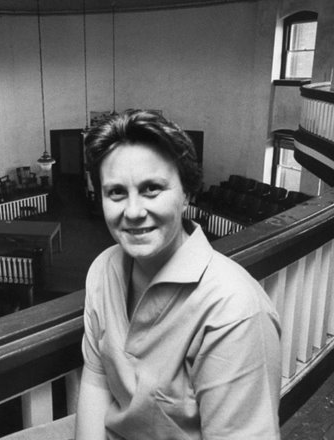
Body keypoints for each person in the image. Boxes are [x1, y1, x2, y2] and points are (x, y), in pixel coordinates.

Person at [75, 109, 281, 440]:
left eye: (151, 188)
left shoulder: (235, 310)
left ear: (187, 194)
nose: (133, 212)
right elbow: (97, 379)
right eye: (116, 192)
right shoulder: (103, 269)